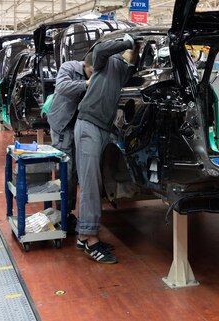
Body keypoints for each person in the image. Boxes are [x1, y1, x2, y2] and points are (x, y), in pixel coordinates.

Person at [74, 34, 142, 264]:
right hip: (89, 124)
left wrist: (137, 48)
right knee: (90, 183)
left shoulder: (126, 69)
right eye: (129, 48)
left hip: (103, 127)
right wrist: (128, 40)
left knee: (97, 182)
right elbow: (101, 49)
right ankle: (89, 238)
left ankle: (84, 234)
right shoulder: (107, 60)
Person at [47, 52, 94, 234]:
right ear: (86, 65)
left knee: (74, 172)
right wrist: (86, 84)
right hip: (62, 125)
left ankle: (67, 213)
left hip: (78, 128)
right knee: (65, 170)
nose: (93, 76)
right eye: (92, 72)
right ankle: (61, 214)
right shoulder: (69, 67)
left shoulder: (93, 74)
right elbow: (62, 86)